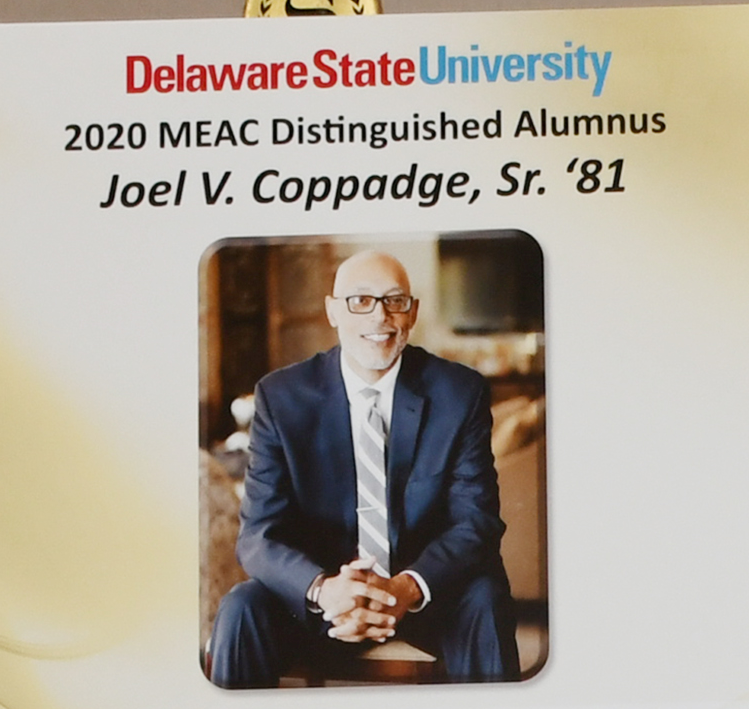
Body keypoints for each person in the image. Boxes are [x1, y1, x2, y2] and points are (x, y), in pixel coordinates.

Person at [208, 247, 517, 685]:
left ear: (411, 313)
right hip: (319, 599)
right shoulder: (281, 398)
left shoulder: (458, 393)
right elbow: (258, 535)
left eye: (394, 300)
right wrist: (324, 589)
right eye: (360, 301)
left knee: (485, 599)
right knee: (241, 609)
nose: (379, 318)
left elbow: (476, 522)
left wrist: (405, 589)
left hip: (422, 594)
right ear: (333, 311)